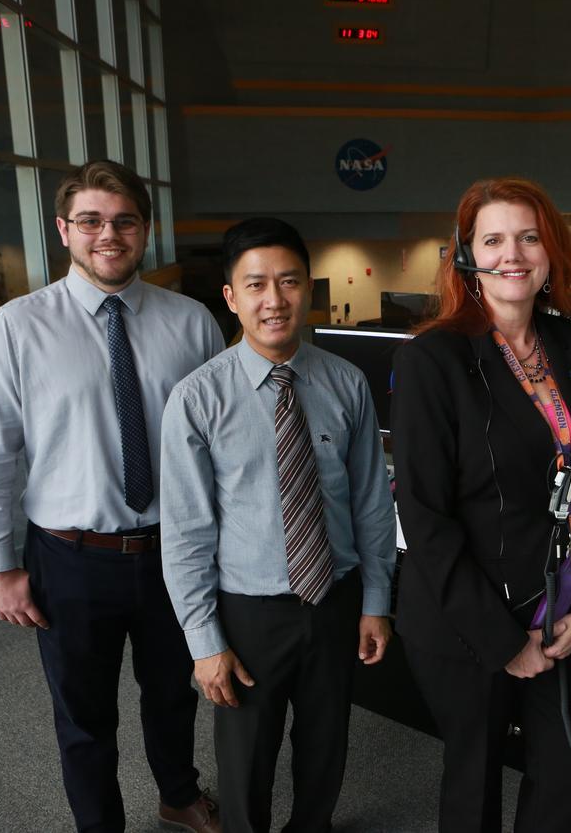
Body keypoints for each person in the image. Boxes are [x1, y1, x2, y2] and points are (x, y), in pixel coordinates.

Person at [0, 159, 224, 833]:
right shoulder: (15, 329)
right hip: (69, 557)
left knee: (173, 691)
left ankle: (178, 793)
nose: (109, 234)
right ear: (64, 230)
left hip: (175, 550)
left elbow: (219, 444)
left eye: (124, 220)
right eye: (91, 221)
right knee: (82, 710)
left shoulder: (192, 323)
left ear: (145, 229)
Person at [390, 177, 571, 832]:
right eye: (492, 239)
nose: (513, 253)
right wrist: (502, 642)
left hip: (563, 614)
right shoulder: (433, 359)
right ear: (466, 257)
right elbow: (426, 518)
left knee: (564, 787)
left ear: (551, 251)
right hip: (467, 622)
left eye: (528, 236)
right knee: (474, 788)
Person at [160, 217, 397, 833]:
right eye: (257, 284)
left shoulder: (346, 382)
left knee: (325, 747)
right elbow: (185, 532)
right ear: (231, 297)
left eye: (289, 282)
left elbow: (372, 502)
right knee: (245, 762)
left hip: (334, 598)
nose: (275, 300)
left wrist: (376, 601)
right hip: (248, 611)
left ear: (308, 290)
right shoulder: (197, 398)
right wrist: (204, 640)